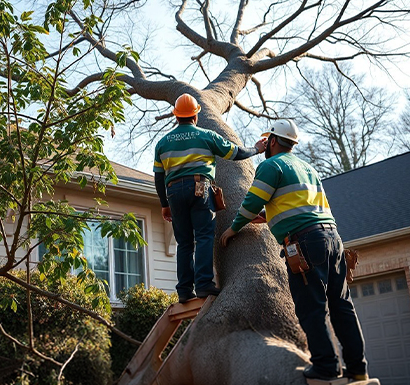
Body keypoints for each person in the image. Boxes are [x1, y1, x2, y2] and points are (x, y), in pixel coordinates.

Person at [220, 119, 368, 382]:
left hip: (305, 243)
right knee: (342, 305)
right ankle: (358, 368)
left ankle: (326, 367)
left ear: (274, 141)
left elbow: (252, 200)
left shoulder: (270, 165)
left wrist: (234, 228)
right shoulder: (307, 168)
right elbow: (301, 205)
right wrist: (271, 216)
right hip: (333, 239)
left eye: (268, 142)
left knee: (312, 306)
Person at [153, 93, 267, 304]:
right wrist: (256, 149)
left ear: (176, 117)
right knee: (204, 235)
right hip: (200, 188)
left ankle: (184, 290)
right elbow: (236, 153)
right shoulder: (206, 136)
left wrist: (164, 205)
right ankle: (204, 284)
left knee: (184, 243)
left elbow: (159, 178)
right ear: (195, 116)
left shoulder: (163, 143)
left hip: (173, 192)